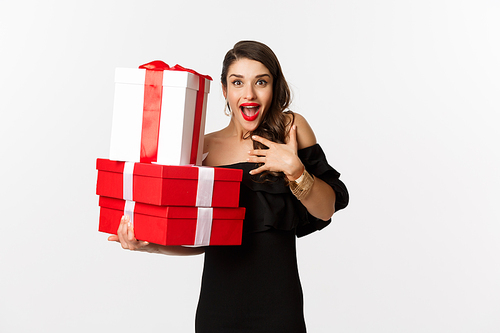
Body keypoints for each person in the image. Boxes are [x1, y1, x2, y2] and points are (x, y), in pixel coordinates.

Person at [109, 40, 349, 332]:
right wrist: (150, 246)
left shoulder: (291, 129)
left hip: (278, 310)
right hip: (218, 311)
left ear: (274, 87)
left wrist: (295, 169)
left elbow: (326, 210)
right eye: (238, 83)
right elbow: (201, 242)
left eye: (261, 81)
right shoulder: (203, 147)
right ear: (224, 90)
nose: (249, 94)